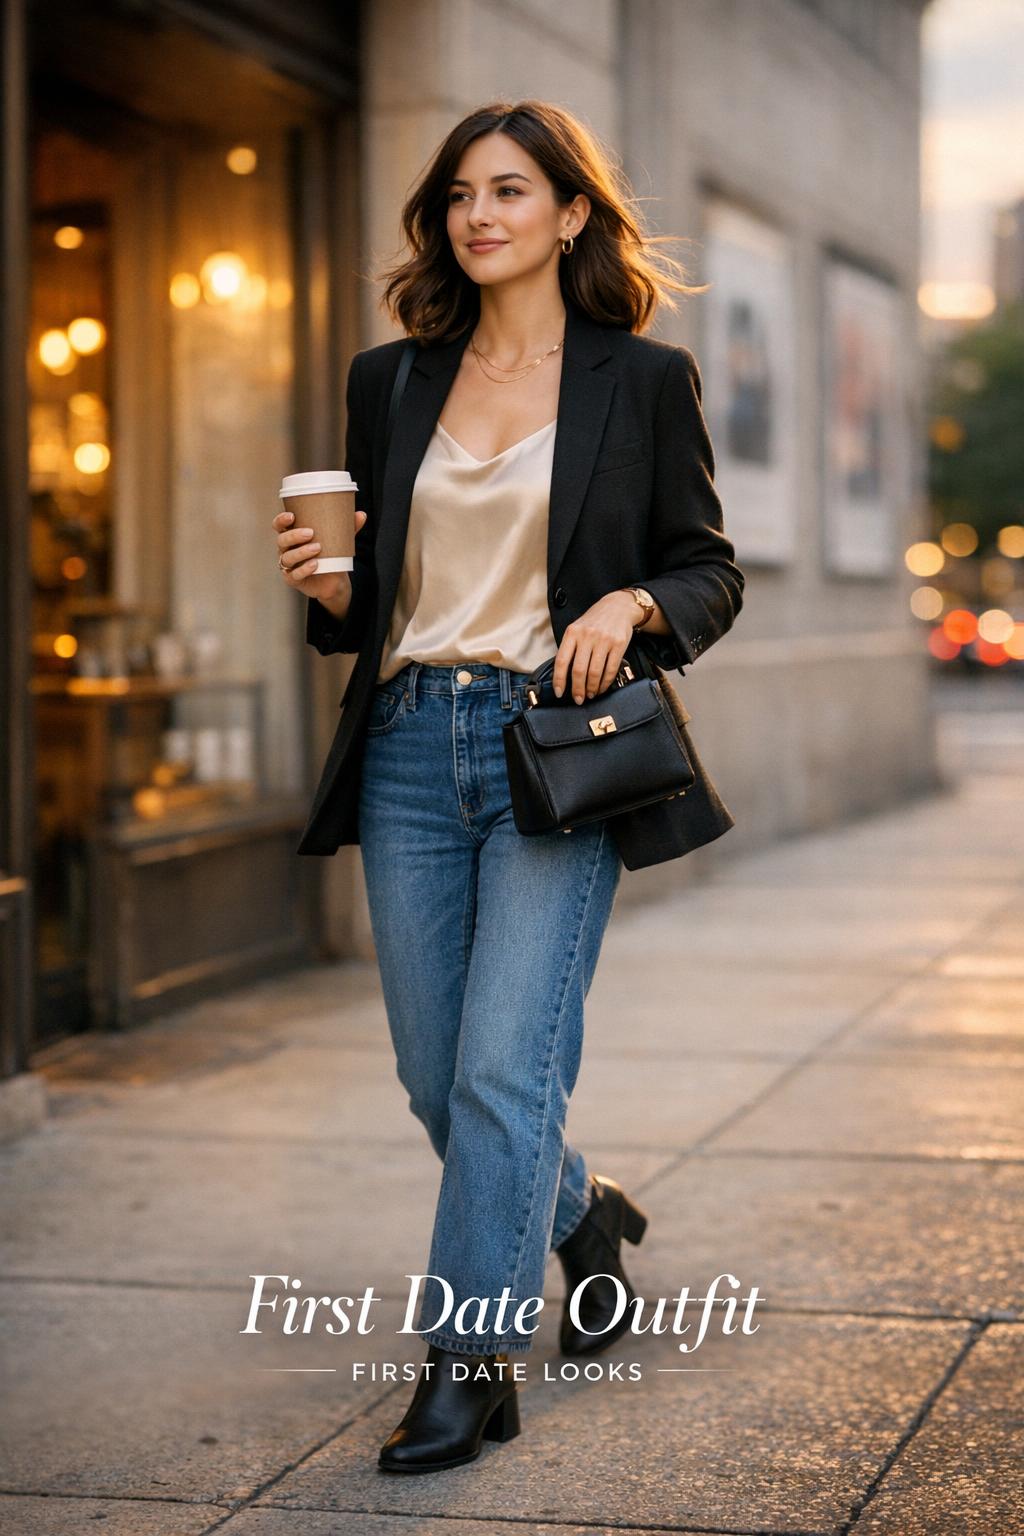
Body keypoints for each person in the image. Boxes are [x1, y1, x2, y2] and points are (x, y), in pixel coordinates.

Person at [272, 99, 744, 1475]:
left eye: (511, 192)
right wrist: (330, 588)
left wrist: (635, 605)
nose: (480, 216)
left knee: (500, 1068)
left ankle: (470, 1364)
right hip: (413, 743)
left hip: (559, 751)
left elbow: (709, 568)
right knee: (440, 1078)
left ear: (571, 214)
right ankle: (581, 1213)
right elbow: (366, 608)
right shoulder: (392, 379)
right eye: (460, 196)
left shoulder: (639, 380)